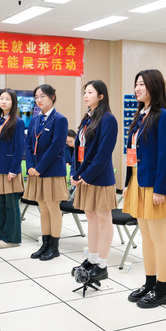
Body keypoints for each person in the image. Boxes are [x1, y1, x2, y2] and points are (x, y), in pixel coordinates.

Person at [123, 69, 166, 308]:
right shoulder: (140, 115)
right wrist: (128, 183)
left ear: (154, 87)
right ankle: (149, 282)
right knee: (146, 236)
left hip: (155, 184)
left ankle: (162, 289)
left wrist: (159, 189)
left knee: (159, 237)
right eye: (136, 84)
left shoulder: (163, 116)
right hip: (138, 181)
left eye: (142, 84)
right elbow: (132, 153)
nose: (138, 88)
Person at [70, 80, 118, 282]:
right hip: (84, 176)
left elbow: (103, 153)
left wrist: (87, 175)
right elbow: (78, 149)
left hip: (99, 177)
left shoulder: (108, 119)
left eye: (90, 92)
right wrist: (75, 173)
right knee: (90, 216)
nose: (86, 95)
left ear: (101, 96)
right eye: (85, 92)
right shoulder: (88, 118)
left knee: (103, 218)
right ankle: (92, 258)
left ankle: (102, 264)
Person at [25, 84, 69, 260]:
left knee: (52, 207)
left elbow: (56, 147)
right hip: (35, 171)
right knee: (42, 208)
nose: (39, 100)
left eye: (42, 96)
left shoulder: (60, 119)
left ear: (52, 97)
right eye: (36, 97)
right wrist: (30, 166)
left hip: (51, 171)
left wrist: (39, 168)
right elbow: (28, 144)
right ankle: (45, 244)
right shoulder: (35, 120)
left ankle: (54, 247)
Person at [0, 89, 25, 248]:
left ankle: (12, 238)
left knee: (11, 204)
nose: (3, 101)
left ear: (13, 102)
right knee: (1, 203)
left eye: (7, 99)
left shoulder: (18, 122)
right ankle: (2, 234)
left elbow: (19, 147)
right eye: (1, 98)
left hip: (9, 169)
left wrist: (14, 170)